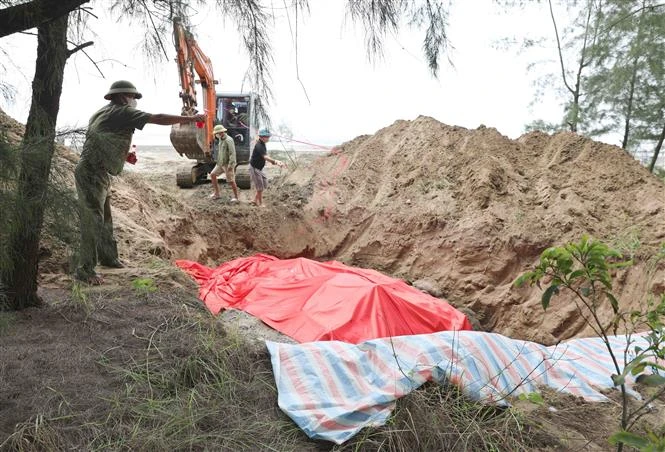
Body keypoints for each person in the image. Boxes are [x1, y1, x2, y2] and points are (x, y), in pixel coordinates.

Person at [74, 80, 206, 285]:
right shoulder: (122, 111)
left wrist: (123, 155)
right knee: (93, 220)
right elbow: (158, 118)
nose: (135, 101)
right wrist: (191, 118)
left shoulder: (103, 113)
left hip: (96, 170)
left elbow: (101, 139)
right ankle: (85, 270)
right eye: (134, 97)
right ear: (122, 96)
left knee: (104, 218)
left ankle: (109, 258)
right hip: (93, 171)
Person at [248, 128, 285, 207]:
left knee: (264, 183)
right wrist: (276, 161)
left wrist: (275, 162)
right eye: (267, 137)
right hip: (255, 168)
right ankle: (260, 203)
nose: (268, 138)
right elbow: (265, 157)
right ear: (262, 137)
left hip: (259, 168)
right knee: (260, 187)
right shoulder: (259, 145)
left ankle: (254, 200)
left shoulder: (262, 144)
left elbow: (265, 156)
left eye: (268, 136)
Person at [209, 124, 239, 202]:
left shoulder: (229, 140)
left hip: (227, 164)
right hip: (220, 163)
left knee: (231, 181)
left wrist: (230, 165)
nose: (216, 135)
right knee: (212, 174)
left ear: (221, 132)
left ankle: (236, 197)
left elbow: (232, 153)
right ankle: (217, 193)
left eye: (217, 133)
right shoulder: (220, 139)